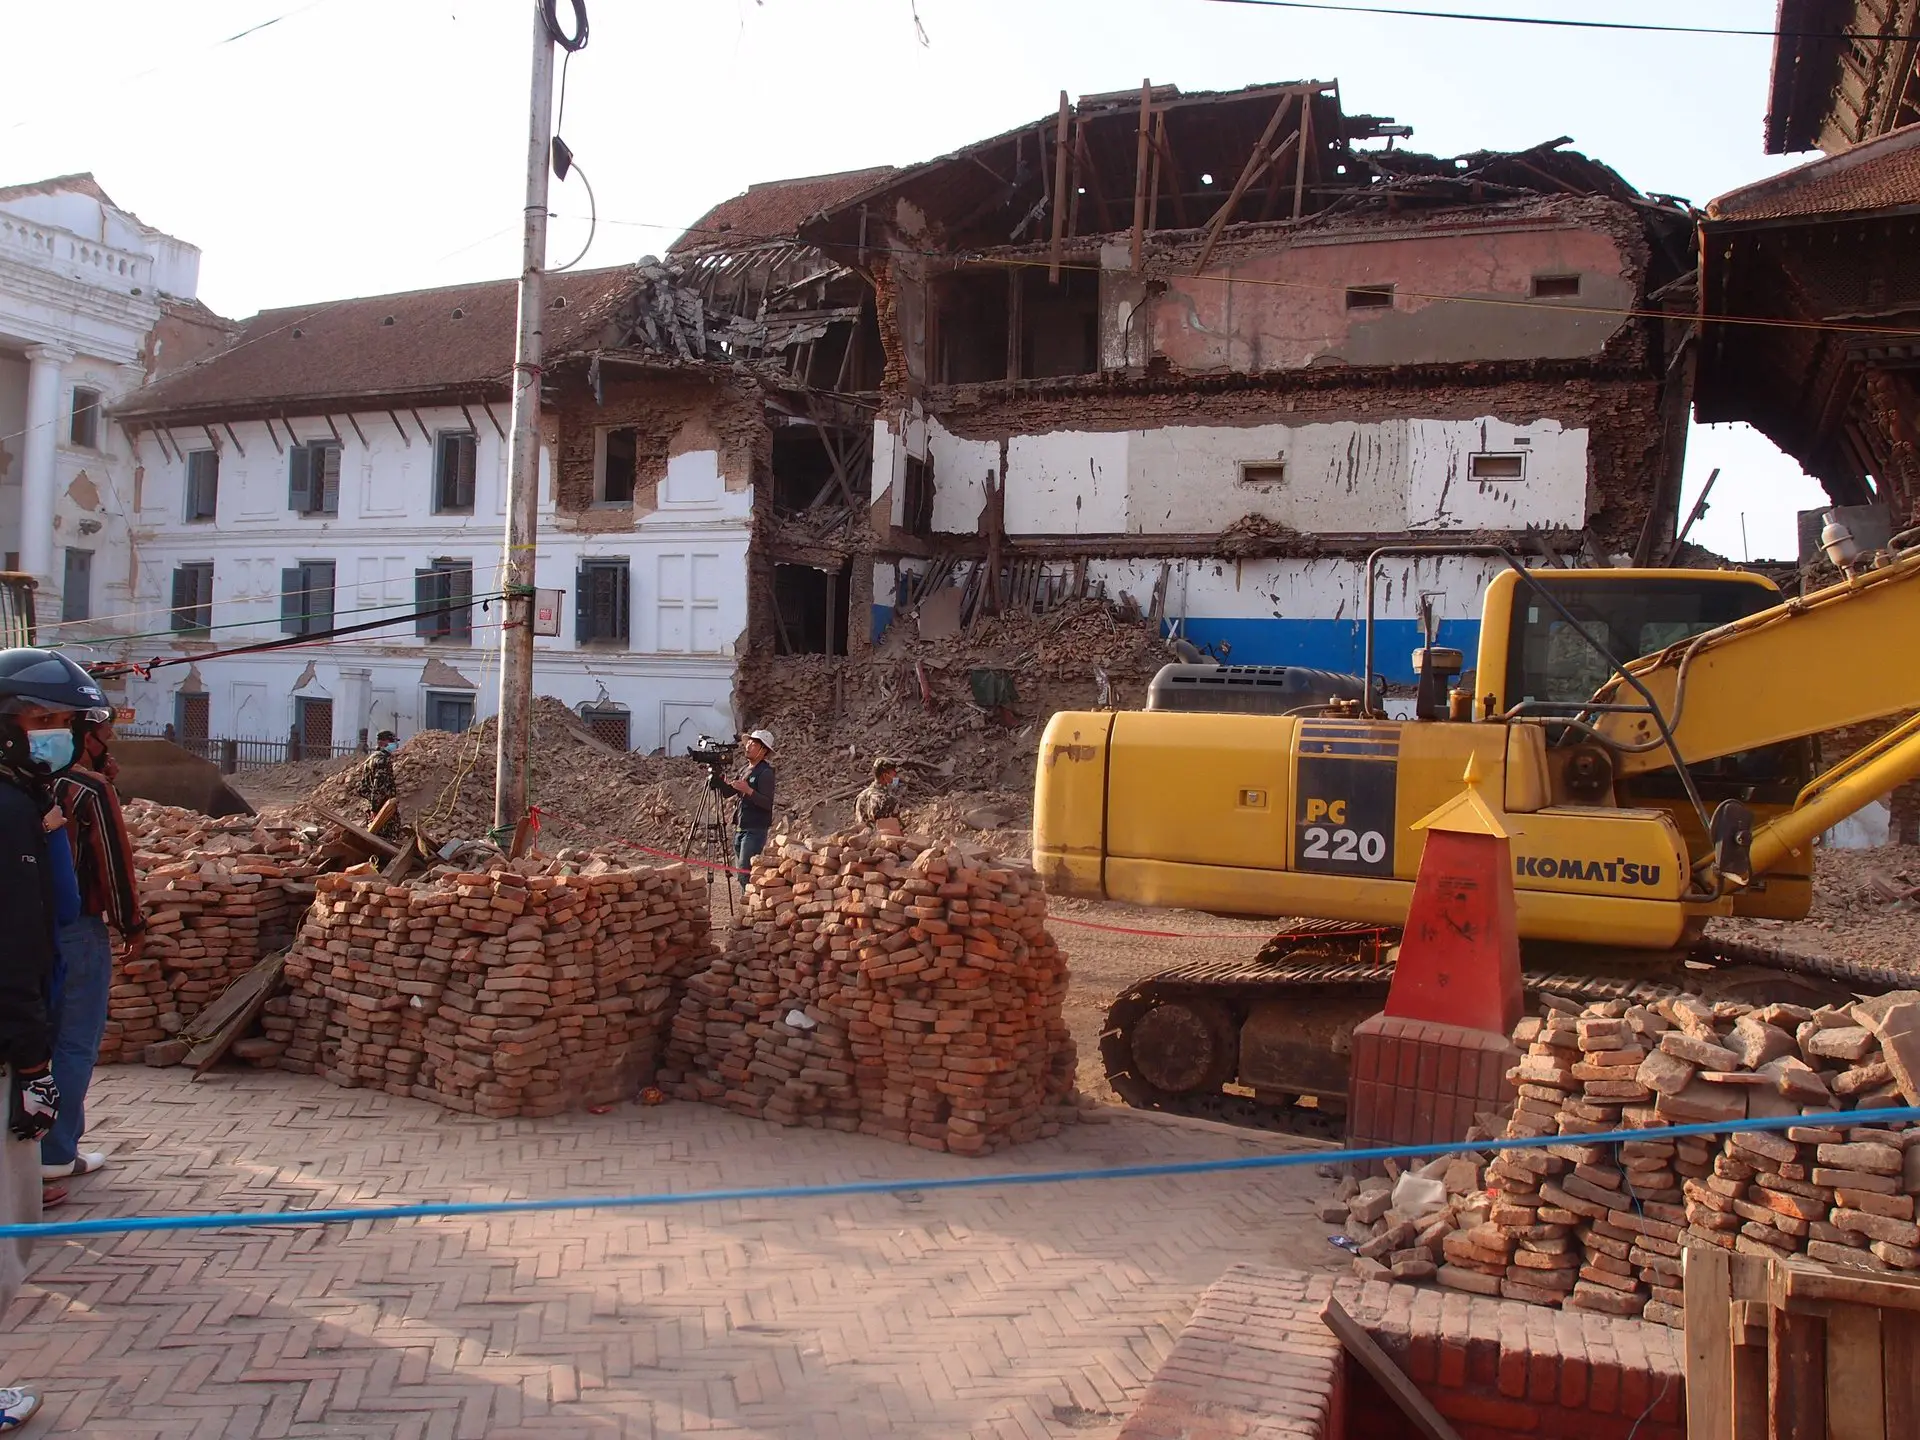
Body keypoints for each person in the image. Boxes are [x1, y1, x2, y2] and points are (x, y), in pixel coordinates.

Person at [0, 647, 104, 1432]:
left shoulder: (28, 802)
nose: (56, 737)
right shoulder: (8, 813)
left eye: (64, 724)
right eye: (42, 722)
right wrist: (31, 1063)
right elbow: (18, 941)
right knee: (8, 1233)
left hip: (18, 1028)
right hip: (8, 1043)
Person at [42, 713, 147, 1183]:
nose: (111, 747)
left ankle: (23, 1153)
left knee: (27, 1040)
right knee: (74, 1041)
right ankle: (56, 1152)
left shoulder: (19, 783)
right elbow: (114, 862)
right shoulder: (85, 789)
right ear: (83, 737)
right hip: (76, 927)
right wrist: (131, 925)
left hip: (21, 929)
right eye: (105, 737)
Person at [726, 729, 776, 881]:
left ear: (763, 750)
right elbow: (728, 792)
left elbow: (767, 803)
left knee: (745, 873)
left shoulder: (765, 772)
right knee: (741, 873)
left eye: (753, 744)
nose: (748, 746)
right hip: (741, 827)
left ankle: (749, 902)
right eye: (748, 743)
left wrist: (748, 790)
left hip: (755, 830)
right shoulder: (744, 770)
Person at [353, 730, 402, 840]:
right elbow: (378, 787)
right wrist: (375, 809)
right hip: (382, 807)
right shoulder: (382, 760)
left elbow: (363, 788)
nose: (395, 745)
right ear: (383, 743)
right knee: (386, 838)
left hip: (373, 804)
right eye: (392, 742)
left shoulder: (372, 758)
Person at [853, 757, 905, 834]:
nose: (895, 778)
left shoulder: (859, 797)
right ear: (885, 775)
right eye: (894, 774)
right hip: (881, 843)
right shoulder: (887, 800)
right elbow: (894, 831)